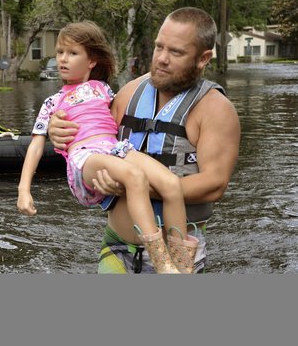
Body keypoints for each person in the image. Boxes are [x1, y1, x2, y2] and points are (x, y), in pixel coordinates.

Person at [47, 7, 241, 274]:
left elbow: (214, 185)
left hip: (175, 255)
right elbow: (93, 140)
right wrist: (56, 131)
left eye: (176, 52)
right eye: (159, 47)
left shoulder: (216, 110)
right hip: (116, 244)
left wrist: (132, 184)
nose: (161, 59)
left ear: (203, 58)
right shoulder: (128, 94)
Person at [17, 21, 198, 274]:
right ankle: (162, 262)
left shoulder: (103, 90)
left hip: (115, 149)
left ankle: (183, 264)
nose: (63, 59)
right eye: (60, 52)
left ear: (92, 61)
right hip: (84, 159)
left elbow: (125, 105)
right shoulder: (52, 102)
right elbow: (36, 146)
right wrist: (24, 189)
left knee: (171, 184)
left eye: (72, 53)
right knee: (134, 176)